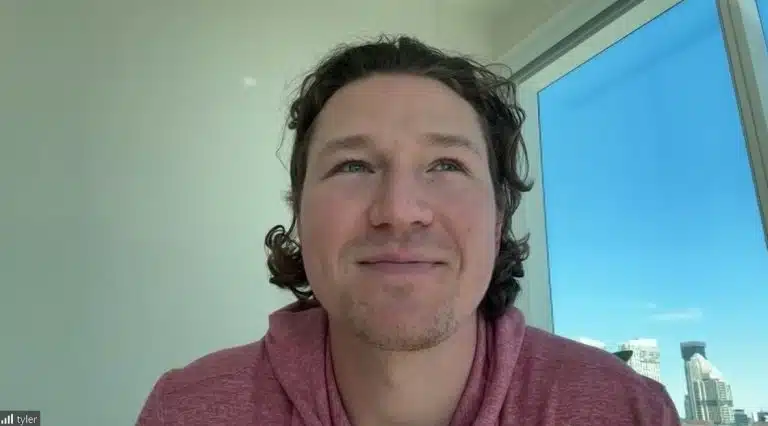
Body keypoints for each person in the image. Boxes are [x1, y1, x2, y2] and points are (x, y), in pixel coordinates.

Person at [136, 35, 681, 426]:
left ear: (499, 217)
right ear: (299, 212)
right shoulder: (184, 411)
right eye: (353, 165)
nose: (399, 210)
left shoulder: (628, 411)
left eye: (446, 165)